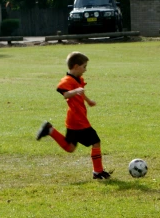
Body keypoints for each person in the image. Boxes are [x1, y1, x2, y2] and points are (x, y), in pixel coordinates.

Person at [36, 51, 112, 180]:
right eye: (84, 67)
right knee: (96, 142)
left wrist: (88, 101)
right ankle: (98, 172)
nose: (85, 70)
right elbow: (65, 94)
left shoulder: (79, 79)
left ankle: (50, 130)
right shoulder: (67, 80)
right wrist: (75, 91)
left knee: (70, 147)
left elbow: (80, 92)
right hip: (79, 121)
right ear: (76, 66)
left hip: (73, 120)